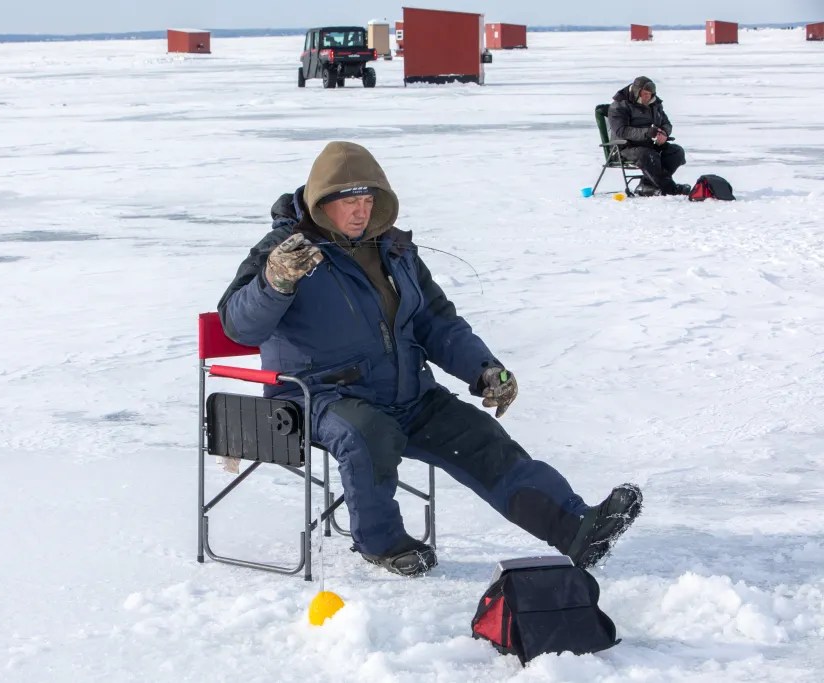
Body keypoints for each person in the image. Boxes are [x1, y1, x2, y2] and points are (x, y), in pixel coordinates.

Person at [217, 141, 643, 577]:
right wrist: (275, 281)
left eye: (368, 201)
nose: (361, 212)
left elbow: (437, 322)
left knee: (481, 438)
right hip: (319, 397)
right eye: (349, 202)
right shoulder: (283, 249)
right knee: (369, 435)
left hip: (407, 391)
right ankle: (380, 542)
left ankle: (575, 529)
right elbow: (238, 325)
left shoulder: (394, 250)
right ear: (322, 201)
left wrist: (483, 369)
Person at [608, 76, 690, 196]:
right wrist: (647, 133)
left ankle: (647, 185)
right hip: (626, 147)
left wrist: (664, 133)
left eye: (650, 94)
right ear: (636, 91)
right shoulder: (619, 105)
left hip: (651, 145)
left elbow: (666, 123)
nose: (648, 97)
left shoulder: (655, 104)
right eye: (645, 93)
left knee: (676, 152)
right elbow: (622, 131)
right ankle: (670, 189)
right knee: (648, 155)